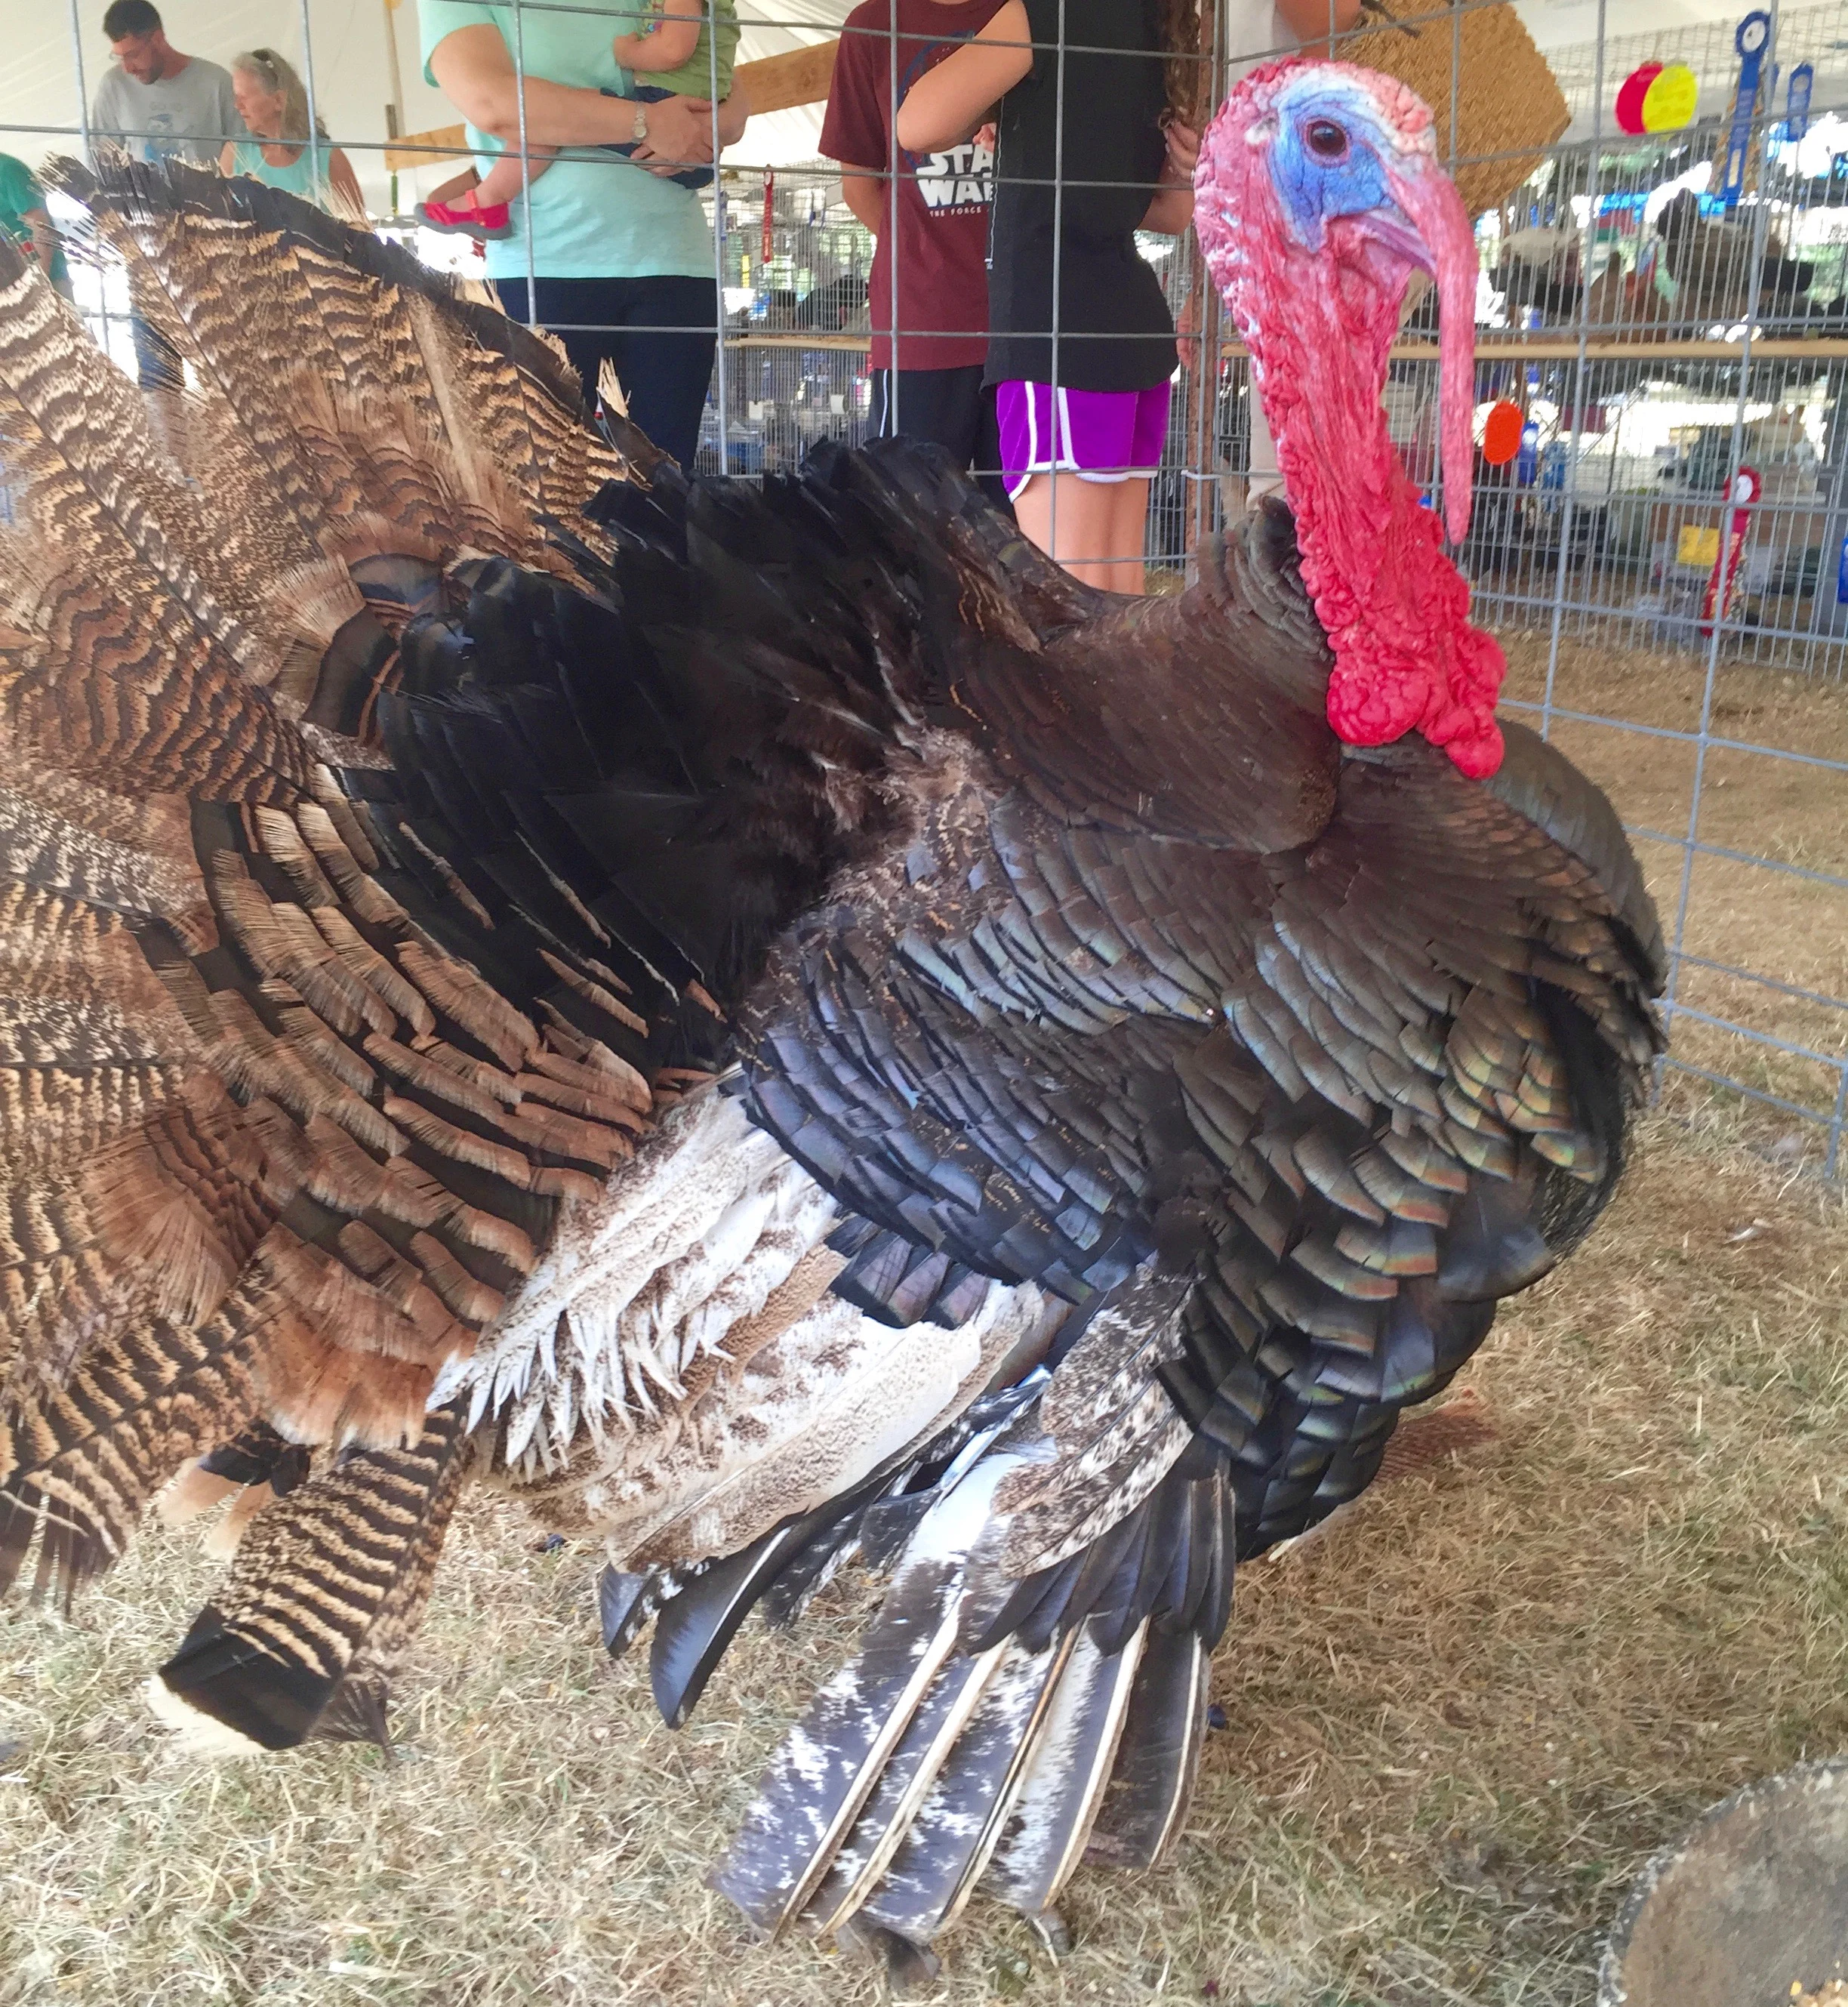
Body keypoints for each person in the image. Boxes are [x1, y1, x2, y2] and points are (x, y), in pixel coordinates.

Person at [896, 1, 1198, 592]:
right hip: (1133, 335)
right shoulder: (1159, 28)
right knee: (1117, 592)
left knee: (1068, 604)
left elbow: (917, 124)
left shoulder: (1046, 12)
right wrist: (1015, 124)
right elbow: (1170, 211)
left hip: (1057, 331)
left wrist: (990, 95)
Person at [422, 0, 750, 470]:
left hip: (673, 261)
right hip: (543, 266)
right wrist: (648, 120)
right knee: (544, 489)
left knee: (662, 486)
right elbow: (493, 104)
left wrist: (727, 115)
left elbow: (721, 68)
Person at [819, 0, 1010, 502]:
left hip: (1023, 326)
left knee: (1022, 537)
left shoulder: (1027, 14)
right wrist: (921, 251)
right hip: (921, 326)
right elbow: (858, 185)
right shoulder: (873, 25)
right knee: (911, 526)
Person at [420, 0, 741, 236]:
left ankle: (488, 201)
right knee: (545, 118)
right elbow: (492, 106)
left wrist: (626, 55)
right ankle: (485, 198)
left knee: (548, 124)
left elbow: (677, 53)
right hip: (552, 253)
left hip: (676, 213)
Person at [91, 0, 242, 168]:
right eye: (119, 57)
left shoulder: (217, 83)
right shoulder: (114, 86)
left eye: (133, 55)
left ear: (158, 38)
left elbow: (246, 158)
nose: (127, 68)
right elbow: (101, 165)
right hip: (140, 194)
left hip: (208, 192)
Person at [220, 48, 366, 216]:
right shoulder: (235, 153)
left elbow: (359, 235)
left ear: (279, 100)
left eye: (244, 97)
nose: (237, 106)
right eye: (236, 97)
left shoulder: (328, 159)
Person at [0, 153, 73, 301]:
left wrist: (39, 285)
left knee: (56, 322)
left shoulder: (8, 170)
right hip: (11, 285)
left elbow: (42, 228)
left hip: (46, 278)